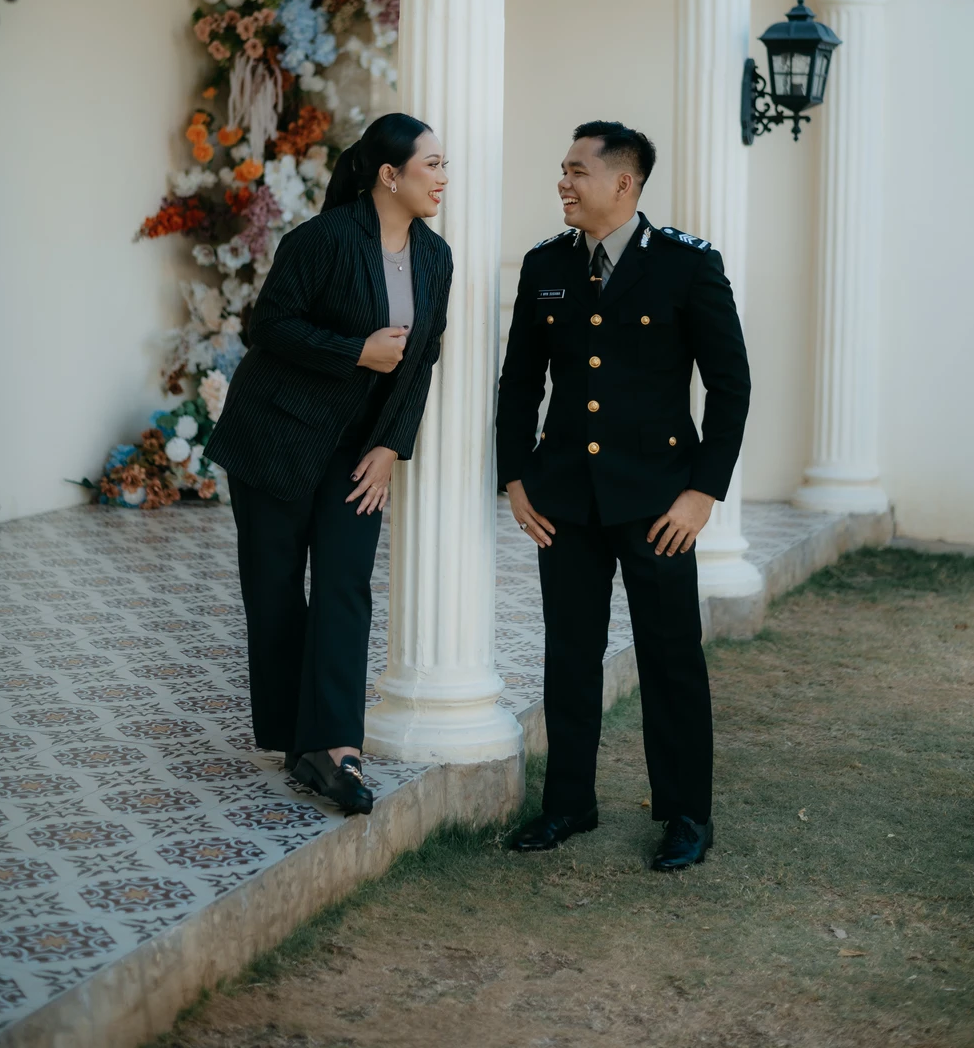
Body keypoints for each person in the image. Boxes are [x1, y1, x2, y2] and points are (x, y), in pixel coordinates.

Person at [497, 120, 750, 868]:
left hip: (658, 504)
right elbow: (519, 381)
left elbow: (730, 386)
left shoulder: (686, 265)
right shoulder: (546, 264)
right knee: (569, 655)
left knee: (670, 660)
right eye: (563, 169)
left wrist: (702, 493)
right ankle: (568, 804)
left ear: (623, 183)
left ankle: (686, 816)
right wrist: (515, 476)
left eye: (577, 171)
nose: (563, 183)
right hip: (565, 501)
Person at [207, 114, 452, 815]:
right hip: (275, 436)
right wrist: (356, 351)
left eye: (444, 165)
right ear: (390, 175)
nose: (442, 178)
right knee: (276, 589)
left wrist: (390, 446)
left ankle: (337, 746)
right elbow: (269, 326)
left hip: (356, 448)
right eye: (432, 165)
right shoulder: (320, 239)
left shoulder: (436, 257)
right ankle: (297, 740)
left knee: (345, 585)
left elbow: (423, 359)